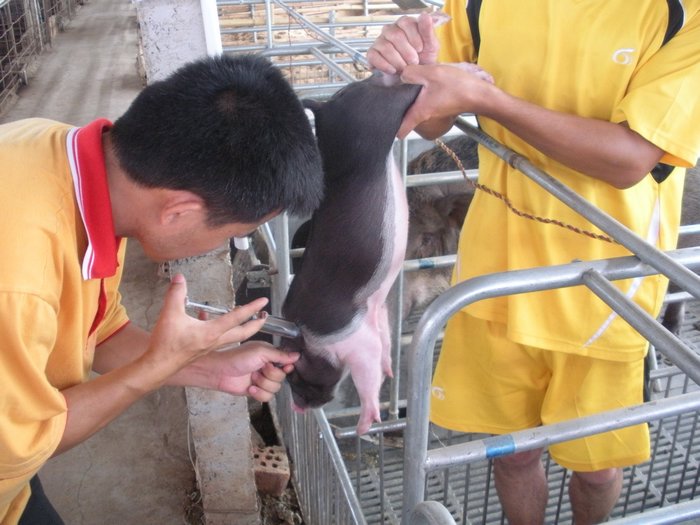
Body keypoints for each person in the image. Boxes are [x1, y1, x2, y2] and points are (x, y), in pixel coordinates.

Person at [368, 2, 700, 523]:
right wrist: (408, 65)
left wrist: (489, 100)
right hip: (495, 275)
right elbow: (432, 122)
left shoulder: (683, 14)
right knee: (512, 454)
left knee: (597, 469)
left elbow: (630, 158)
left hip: (607, 289)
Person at [0, 53, 324, 524]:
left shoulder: (63, 157)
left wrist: (210, 368)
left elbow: (99, 330)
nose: (228, 243)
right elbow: (18, 444)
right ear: (179, 212)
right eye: (236, 232)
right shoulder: (19, 280)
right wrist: (155, 368)